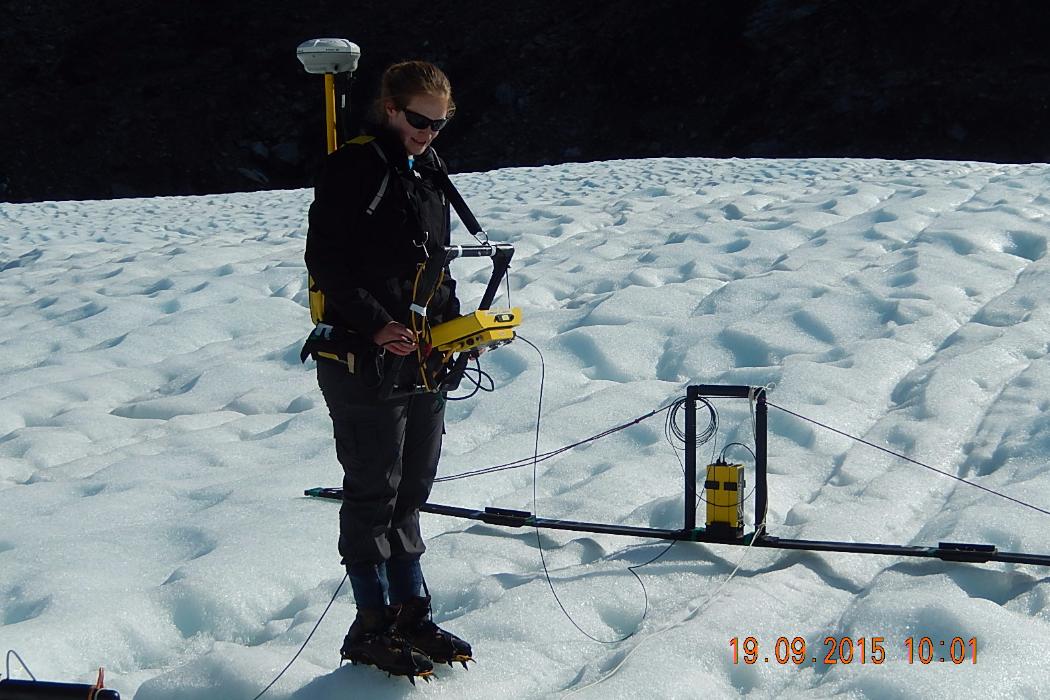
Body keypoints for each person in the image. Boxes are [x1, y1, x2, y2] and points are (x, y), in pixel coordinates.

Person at [304, 60, 471, 681]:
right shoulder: (354, 166)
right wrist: (376, 323)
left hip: (422, 354)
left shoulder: (426, 170)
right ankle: (371, 623)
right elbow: (327, 258)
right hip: (363, 356)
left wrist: (454, 331)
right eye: (420, 120)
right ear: (391, 108)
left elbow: (434, 266)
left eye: (441, 123)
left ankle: (411, 613)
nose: (429, 132)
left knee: (412, 488)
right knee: (374, 490)